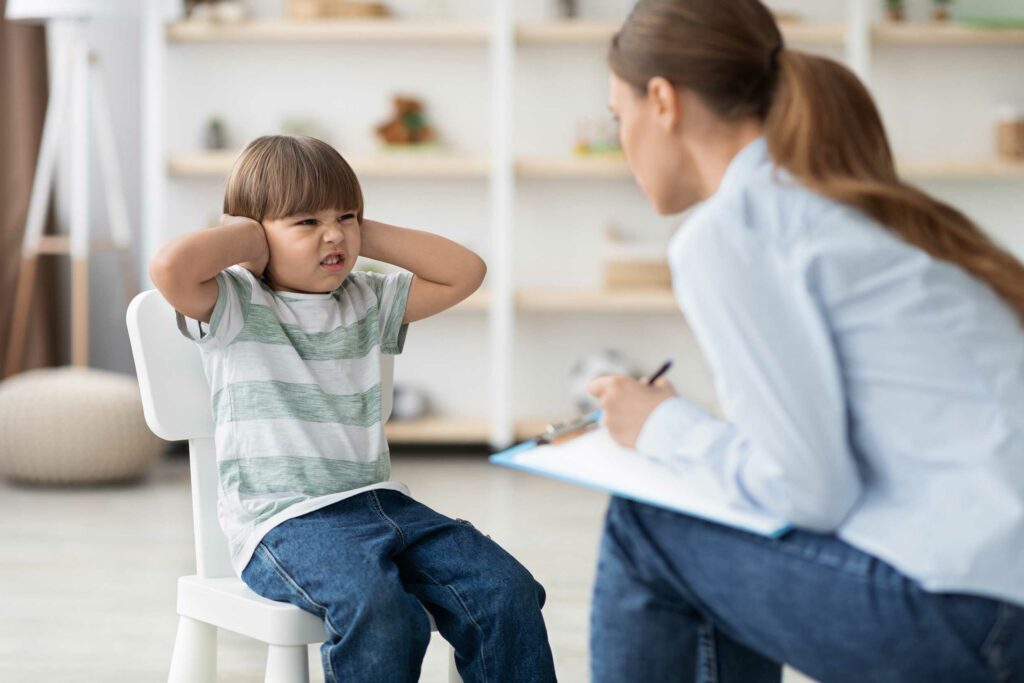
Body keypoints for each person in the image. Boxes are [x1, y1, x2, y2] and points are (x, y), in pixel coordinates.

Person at [585, 1, 1024, 681]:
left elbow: (810, 490)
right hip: (1001, 584)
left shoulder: (733, 228)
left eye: (619, 118)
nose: (621, 144)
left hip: (975, 611)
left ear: (664, 102)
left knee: (647, 522)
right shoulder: (850, 202)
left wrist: (661, 425)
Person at [149, 135, 556, 683]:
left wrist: (357, 229)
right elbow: (170, 268)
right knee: (386, 615)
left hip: (379, 504)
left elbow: (467, 272)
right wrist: (249, 235)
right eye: (305, 222)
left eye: (345, 217)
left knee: (505, 591)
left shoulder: (367, 297)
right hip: (284, 522)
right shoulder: (236, 302)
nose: (334, 234)